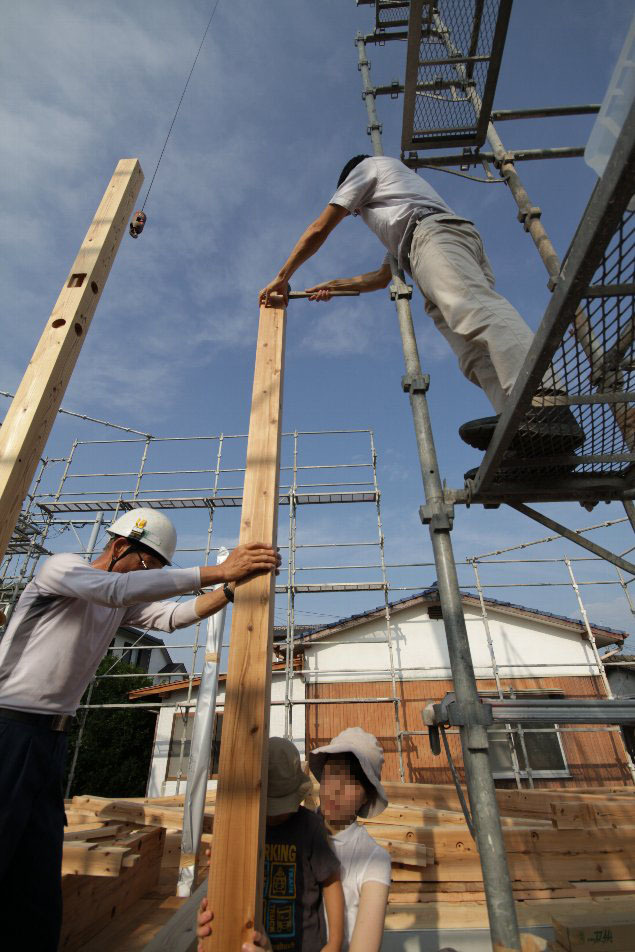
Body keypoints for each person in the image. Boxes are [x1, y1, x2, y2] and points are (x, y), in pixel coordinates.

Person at [0, 508, 280, 952]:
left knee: (36, 874)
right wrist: (219, 568)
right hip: (8, 728)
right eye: (146, 564)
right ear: (118, 546)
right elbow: (114, 588)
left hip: (49, 739)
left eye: (154, 569)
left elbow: (173, 617)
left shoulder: (119, 599)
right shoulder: (62, 570)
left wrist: (227, 589)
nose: (146, 574)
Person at [259, 154, 583, 457]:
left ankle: (546, 403)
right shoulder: (399, 206)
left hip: (433, 236)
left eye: (356, 210)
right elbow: (379, 277)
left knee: (474, 309)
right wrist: (332, 285)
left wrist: (282, 276)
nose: (358, 213)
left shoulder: (368, 168)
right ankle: (525, 434)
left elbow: (320, 228)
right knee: (472, 352)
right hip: (422, 248)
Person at [198, 736, 344, 952]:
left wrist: (334, 942)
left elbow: (331, 882)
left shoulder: (310, 827)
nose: (275, 815)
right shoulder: (243, 829)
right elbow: (225, 885)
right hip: (251, 942)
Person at [310, 728, 391, 952]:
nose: (336, 789)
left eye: (351, 782)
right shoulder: (295, 830)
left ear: (367, 796)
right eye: (332, 774)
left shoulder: (373, 858)